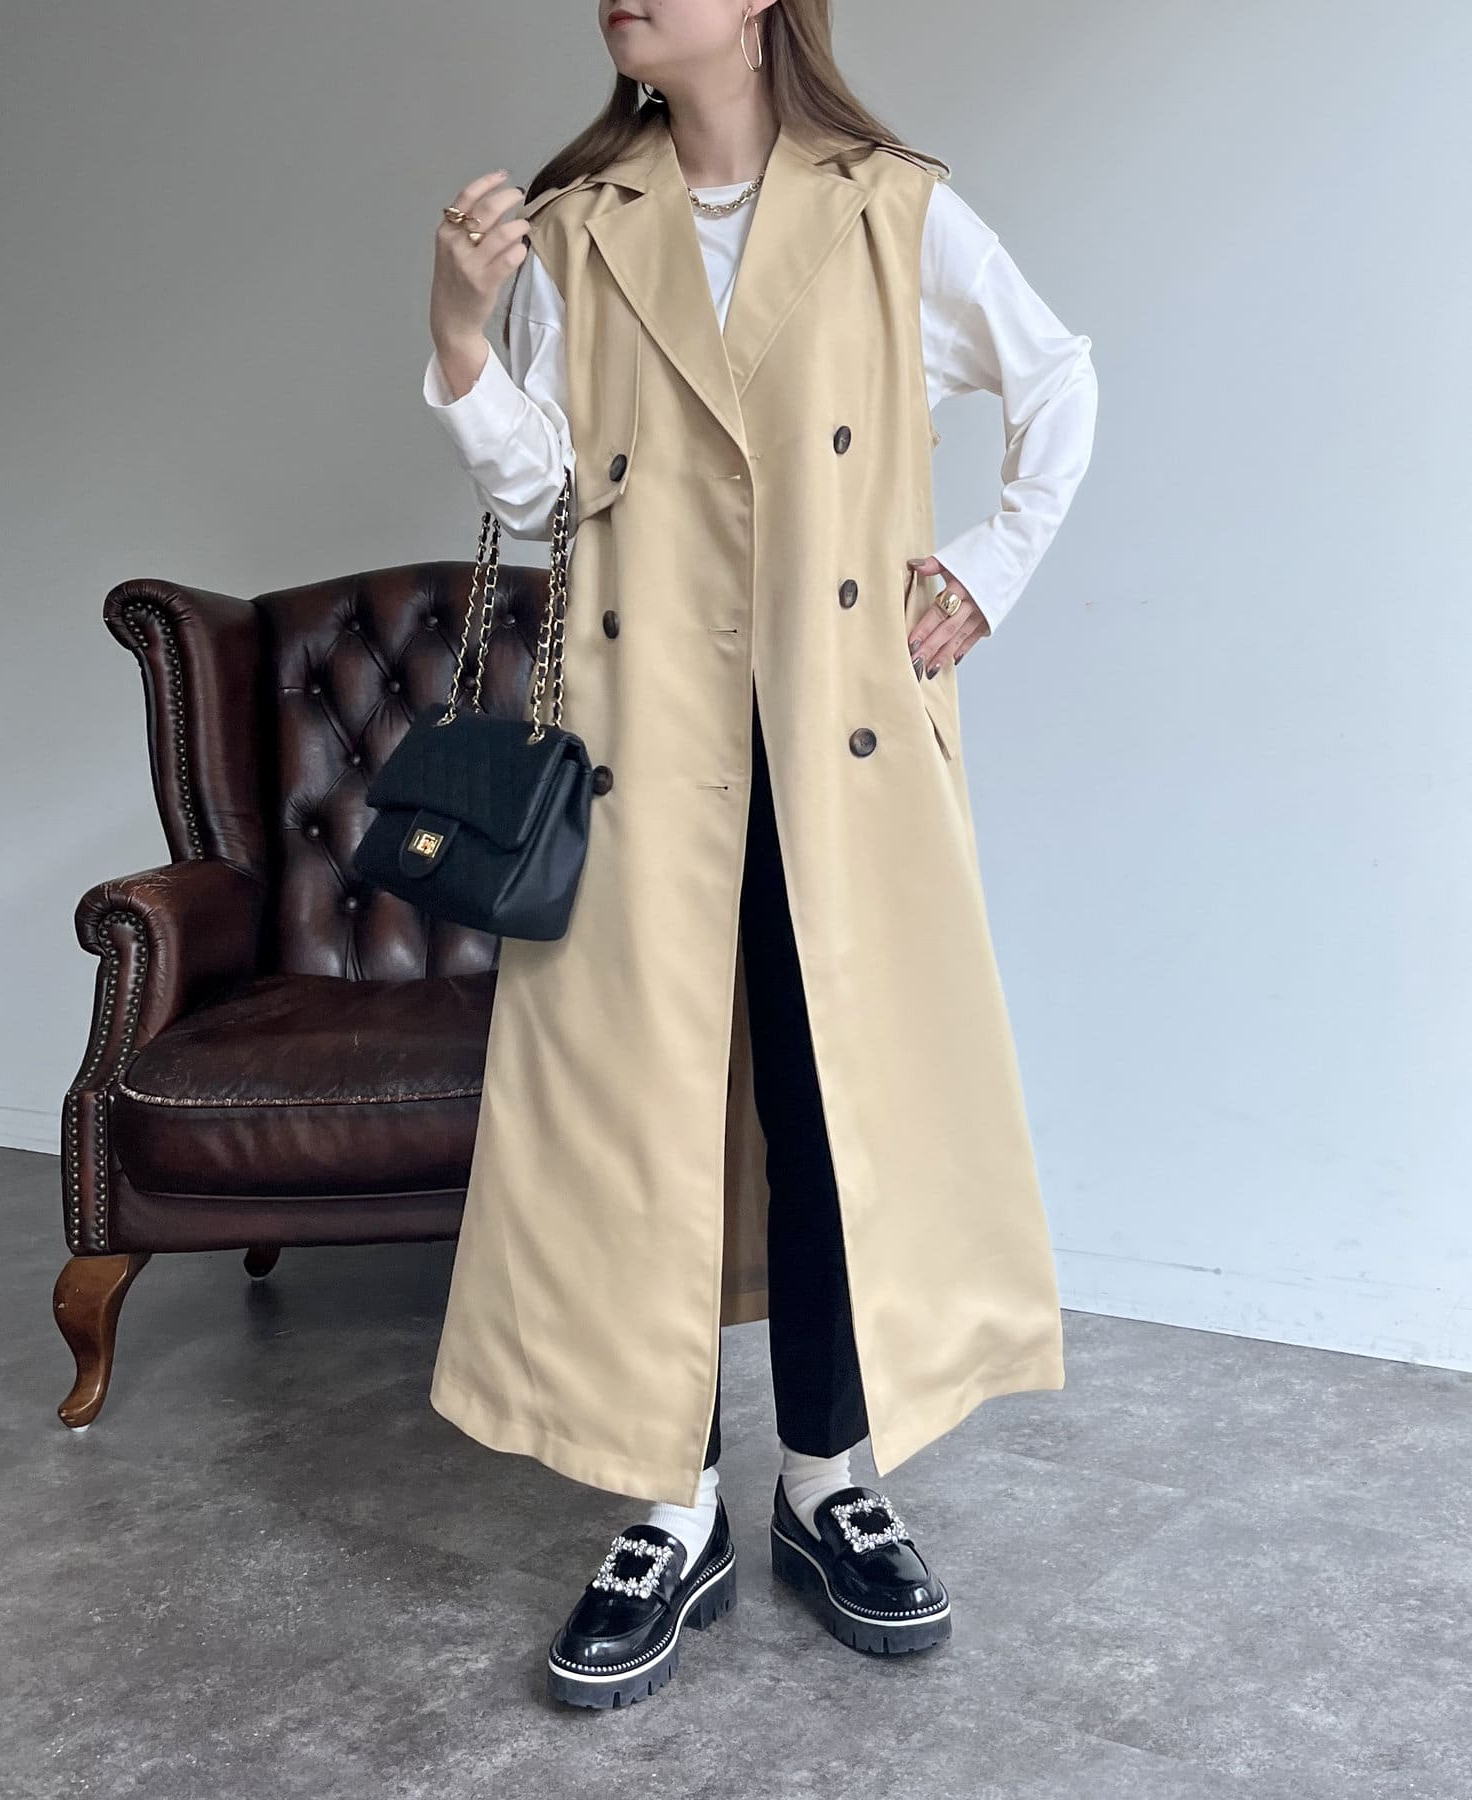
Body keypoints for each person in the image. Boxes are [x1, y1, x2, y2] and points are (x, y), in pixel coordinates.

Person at [422, 0, 1097, 1710]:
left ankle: (826, 1480)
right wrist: (462, 340)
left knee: (831, 1110)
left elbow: (1060, 377)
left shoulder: (891, 210)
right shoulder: (584, 227)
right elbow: (546, 500)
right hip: (644, 756)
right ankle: (668, 1506)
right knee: (632, 1123)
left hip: (835, 750)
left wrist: (988, 571)